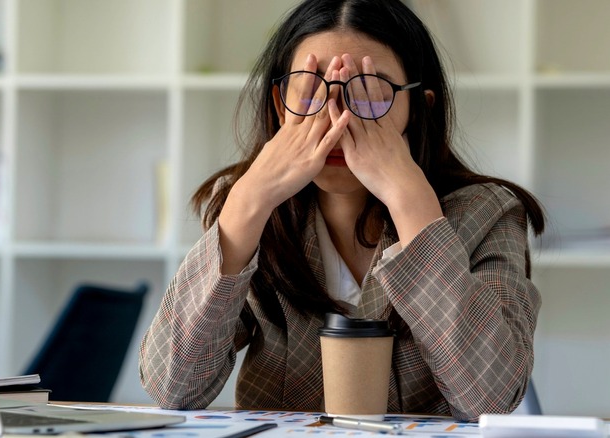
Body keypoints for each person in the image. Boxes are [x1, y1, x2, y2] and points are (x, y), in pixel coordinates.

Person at [139, 0, 544, 422]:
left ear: (419, 108)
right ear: (281, 106)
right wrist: (247, 202)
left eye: (368, 91)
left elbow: (492, 399)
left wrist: (411, 204)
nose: (337, 118)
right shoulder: (249, 209)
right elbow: (173, 388)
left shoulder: (488, 213)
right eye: (312, 90)